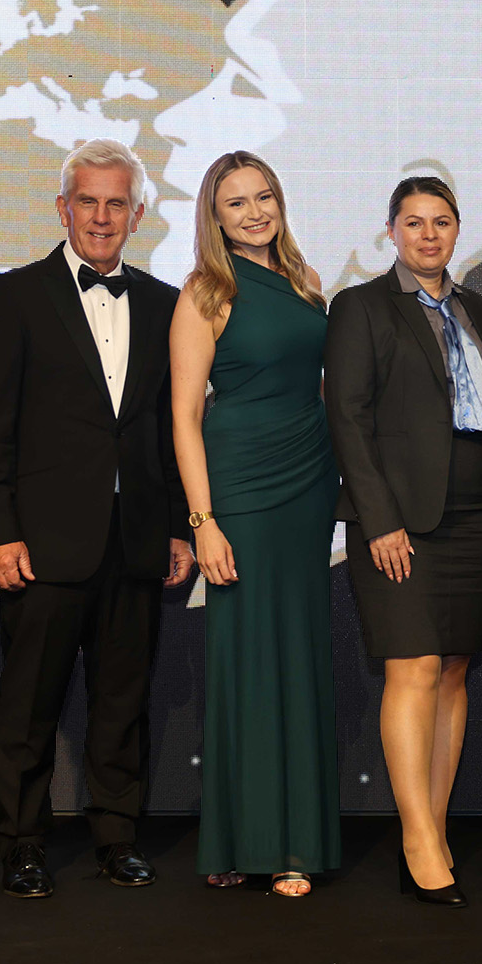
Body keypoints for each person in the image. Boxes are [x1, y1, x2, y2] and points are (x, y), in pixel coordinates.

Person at [0, 141, 195, 899]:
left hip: (134, 543)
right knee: (27, 704)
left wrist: (177, 529)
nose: (102, 217)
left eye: (116, 204)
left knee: (123, 701)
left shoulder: (167, 304)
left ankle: (116, 835)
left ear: (137, 214)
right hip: (39, 543)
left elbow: (170, 429)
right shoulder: (12, 297)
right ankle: (22, 842)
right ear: (63, 208)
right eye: (88, 202)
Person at [325, 176, 482, 907]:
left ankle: (429, 825)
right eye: (413, 222)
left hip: (476, 514)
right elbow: (348, 417)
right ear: (390, 232)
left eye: (441, 222)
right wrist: (380, 518)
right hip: (398, 521)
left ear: (457, 230)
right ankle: (418, 841)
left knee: (455, 670)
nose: (428, 235)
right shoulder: (362, 307)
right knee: (414, 668)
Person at [175, 151, 342, 896]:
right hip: (239, 487)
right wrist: (204, 522)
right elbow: (183, 418)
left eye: (263, 196)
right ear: (214, 214)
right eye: (235, 202)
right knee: (246, 658)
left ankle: (297, 842)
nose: (253, 212)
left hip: (308, 484)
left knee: (300, 654)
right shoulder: (206, 292)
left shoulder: (308, 283)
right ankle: (246, 839)